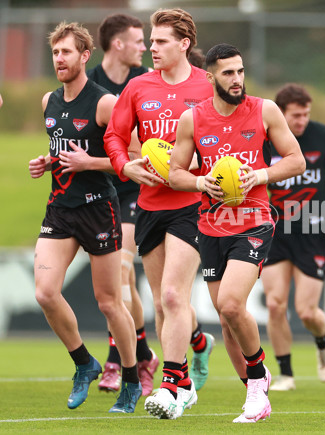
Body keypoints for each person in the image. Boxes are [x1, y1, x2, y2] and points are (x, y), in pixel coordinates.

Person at [169, 43, 305, 423]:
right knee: (228, 319)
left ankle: (259, 381)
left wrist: (259, 175)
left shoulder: (265, 110)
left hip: (255, 220)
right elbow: (175, 172)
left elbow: (296, 159)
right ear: (211, 76)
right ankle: (254, 394)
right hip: (211, 225)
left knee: (230, 303)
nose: (237, 79)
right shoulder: (192, 120)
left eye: (240, 71)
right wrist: (201, 183)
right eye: (228, 73)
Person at [104, 8, 214, 419]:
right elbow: (115, 135)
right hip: (149, 205)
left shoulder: (208, 87)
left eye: (161, 41)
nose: (152, 47)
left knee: (173, 294)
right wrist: (123, 165)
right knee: (162, 305)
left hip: (193, 205)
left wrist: (207, 176)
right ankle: (184, 381)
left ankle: (171, 384)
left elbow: (231, 136)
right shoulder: (138, 86)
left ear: (184, 44)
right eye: (150, 41)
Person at [28, 21, 141, 413]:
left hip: (98, 209)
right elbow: (62, 146)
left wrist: (88, 162)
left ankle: (130, 380)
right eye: (55, 52)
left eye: (66, 52)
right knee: (44, 292)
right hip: (59, 209)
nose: (59, 59)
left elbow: (136, 158)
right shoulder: (48, 101)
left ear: (84, 55)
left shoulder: (105, 103)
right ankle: (84, 363)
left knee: (110, 303)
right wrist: (47, 161)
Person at [262, 83, 325, 391]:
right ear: (280, 114)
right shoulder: (264, 140)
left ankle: (322, 339)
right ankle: (286, 375)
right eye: (295, 115)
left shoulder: (324, 136)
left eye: (305, 114)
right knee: (275, 305)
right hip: (275, 231)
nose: (301, 121)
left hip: (311, 232)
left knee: (306, 311)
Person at [86, 12, 159, 397]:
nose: (145, 47)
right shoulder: (89, 85)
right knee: (120, 282)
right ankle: (142, 353)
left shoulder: (146, 82)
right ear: (118, 44)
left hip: (136, 190)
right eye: (138, 40)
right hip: (100, 191)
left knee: (124, 271)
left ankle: (118, 360)